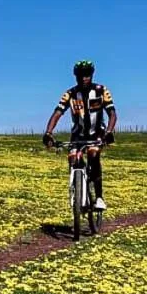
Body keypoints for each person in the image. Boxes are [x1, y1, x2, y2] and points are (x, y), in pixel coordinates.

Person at [42, 60, 118, 210]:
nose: (84, 78)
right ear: (75, 76)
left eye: (87, 75)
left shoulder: (101, 90)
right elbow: (57, 113)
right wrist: (48, 133)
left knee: (93, 155)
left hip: (97, 133)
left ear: (92, 75)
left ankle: (99, 197)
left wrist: (109, 132)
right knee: (72, 158)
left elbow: (112, 114)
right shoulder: (70, 94)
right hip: (78, 135)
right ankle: (77, 187)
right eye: (80, 75)